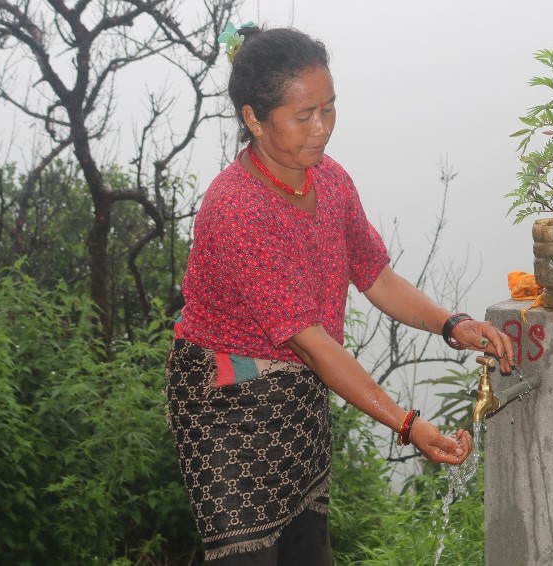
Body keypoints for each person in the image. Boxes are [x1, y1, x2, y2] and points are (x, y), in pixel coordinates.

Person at [164, 23, 515, 565]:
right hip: (228, 402)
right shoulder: (237, 208)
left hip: (298, 394)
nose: (322, 128)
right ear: (253, 118)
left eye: (329, 108)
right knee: (247, 555)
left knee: (308, 549)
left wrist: (453, 325)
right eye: (304, 116)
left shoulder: (328, 180)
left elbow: (375, 276)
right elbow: (313, 344)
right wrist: (405, 422)